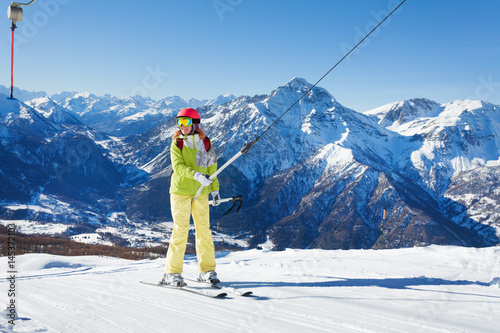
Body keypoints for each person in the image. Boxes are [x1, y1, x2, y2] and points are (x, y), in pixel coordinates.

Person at [162, 107, 221, 287]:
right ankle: (171, 273)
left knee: (204, 231)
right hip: (180, 191)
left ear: (195, 124)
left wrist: (215, 189)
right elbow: (178, 166)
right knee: (180, 230)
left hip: (201, 193)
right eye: (179, 122)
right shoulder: (177, 143)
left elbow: (212, 168)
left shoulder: (206, 143)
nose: (182, 126)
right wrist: (196, 175)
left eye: (186, 122)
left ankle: (206, 270)